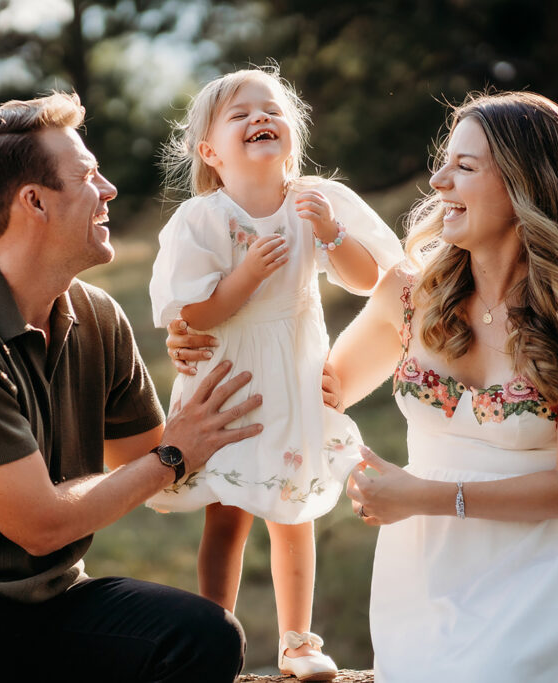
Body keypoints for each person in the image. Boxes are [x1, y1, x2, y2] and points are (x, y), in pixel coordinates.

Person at [0, 92, 265, 683]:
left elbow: (151, 469)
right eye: (89, 176)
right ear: (34, 202)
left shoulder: (98, 317)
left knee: (202, 637)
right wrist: (172, 455)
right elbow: (43, 525)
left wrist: (202, 361)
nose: (110, 189)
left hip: (52, 600)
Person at [325, 92, 558, 682]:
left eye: (464, 167)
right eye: (445, 162)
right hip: (427, 573)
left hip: (555, 565)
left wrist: (420, 496)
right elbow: (322, 389)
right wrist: (209, 333)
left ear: (525, 188)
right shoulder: (409, 294)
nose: (438, 181)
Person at [147, 67, 403, 680]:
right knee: (227, 511)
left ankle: (298, 641)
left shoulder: (314, 201)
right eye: (240, 115)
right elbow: (192, 312)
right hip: (229, 383)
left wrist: (332, 234)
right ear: (209, 151)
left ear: (294, 130)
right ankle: (212, 636)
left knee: (293, 510)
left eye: (272, 110)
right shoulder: (200, 221)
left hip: (291, 375)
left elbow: (372, 279)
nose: (260, 118)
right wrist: (247, 277)